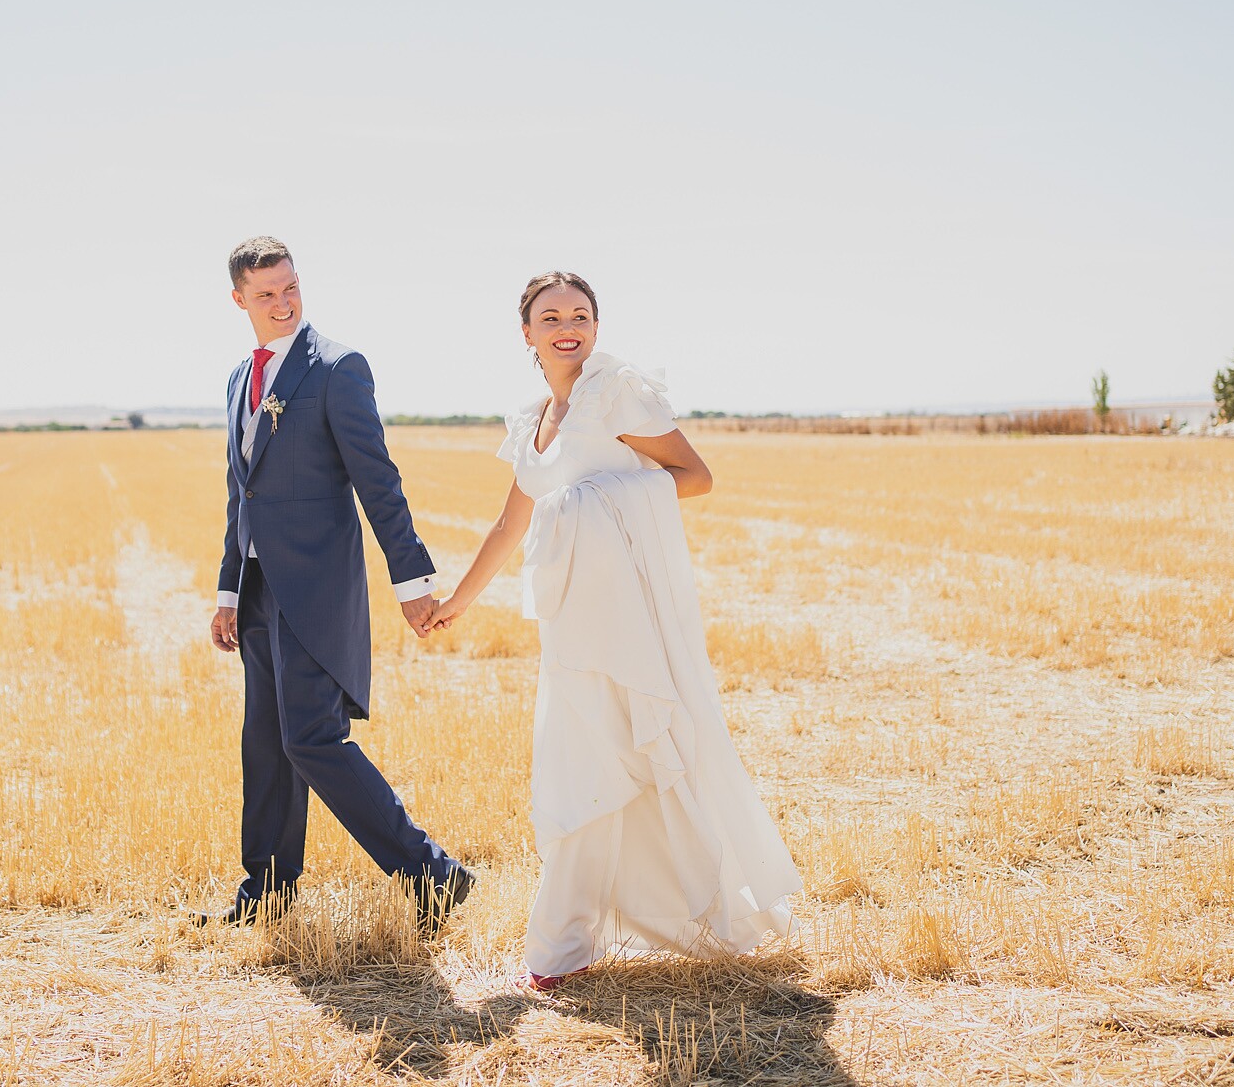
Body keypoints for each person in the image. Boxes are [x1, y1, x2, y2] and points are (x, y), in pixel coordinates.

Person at [432, 271, 801, 990]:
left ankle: (603, 937)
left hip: (629, 618)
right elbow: (513, 521)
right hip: (571, 617)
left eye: (580, 313)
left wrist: (596, 501)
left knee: (636, 753)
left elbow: (694, 475)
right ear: (527, 333)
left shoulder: (616, 392)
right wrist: (458, 600)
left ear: (595, 326)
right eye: (551, 315)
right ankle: (570, 940)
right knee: (582, 764)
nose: (567, 324)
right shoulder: (533, 417)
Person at [197, 236, 474, 933]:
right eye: (267, 294)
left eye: (291, 287)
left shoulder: (337, 368)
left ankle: (432, 874)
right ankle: (266, 889)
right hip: (259, 586)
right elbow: (242, 493)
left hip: (318, 587)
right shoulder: (239, 377)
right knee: (264, 736)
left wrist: (410, 575)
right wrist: (229, 590)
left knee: (312, 736)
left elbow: (378, 479)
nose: (284, 301)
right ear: (239, 300)